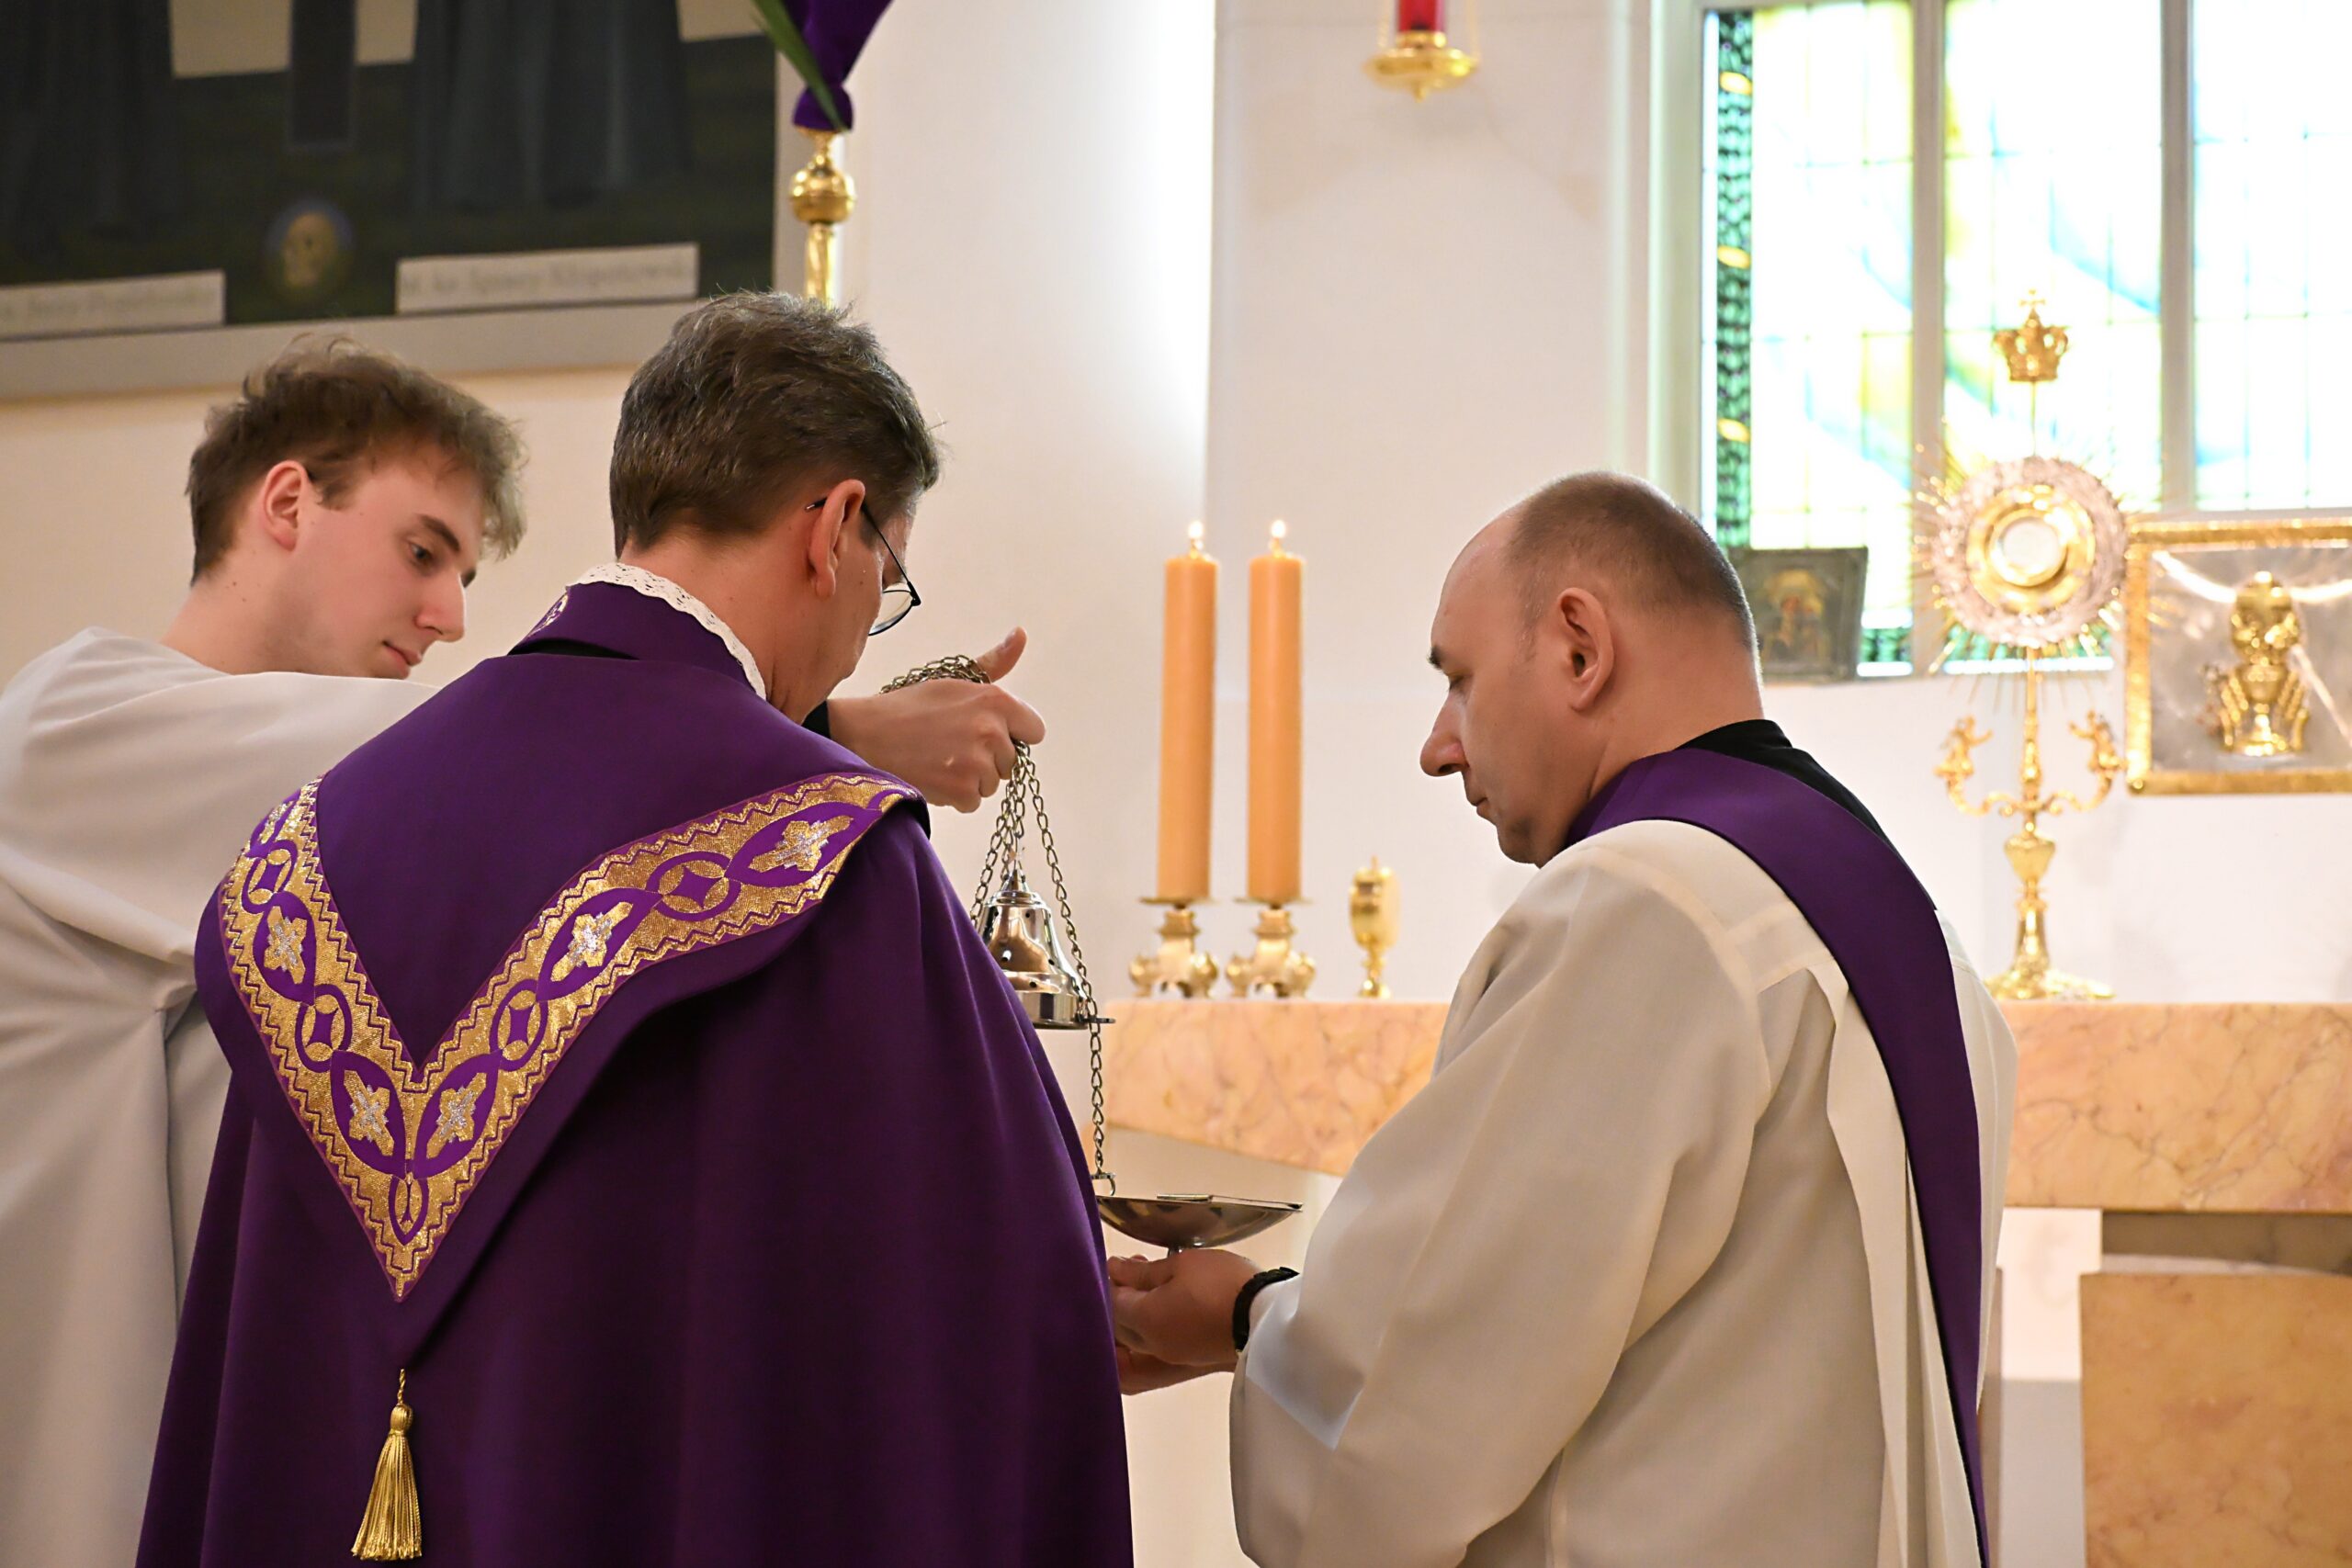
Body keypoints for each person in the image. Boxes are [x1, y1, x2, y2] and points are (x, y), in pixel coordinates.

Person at [0, 340, 1043, 1568]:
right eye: (423, 550)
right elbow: (519, 750)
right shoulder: (68, 729)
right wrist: (815, 732)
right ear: (285, 503)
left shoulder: (333, 824)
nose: (450, 614)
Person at [1111, 473, 2014, 1568]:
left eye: (1458, 680)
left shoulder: (1648, 901)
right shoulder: (1905, 928)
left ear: (1580, 650)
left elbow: (1434, 1380)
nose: (1438, 747)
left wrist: (1245, 1315)